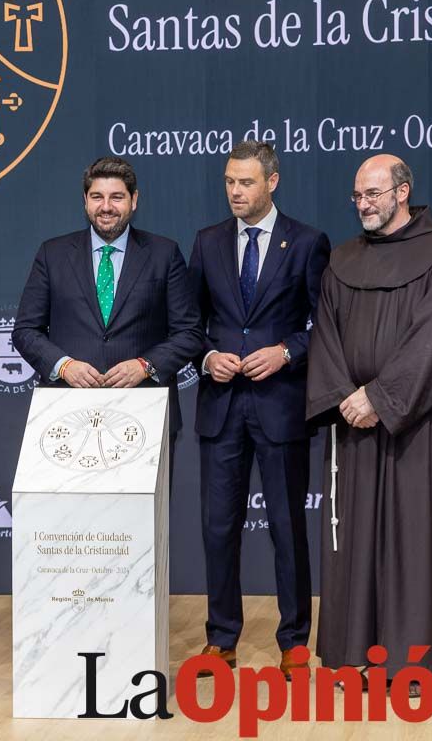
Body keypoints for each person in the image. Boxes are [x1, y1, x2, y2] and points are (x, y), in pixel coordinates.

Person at [306, 155, 432, 692]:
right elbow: (325, 337)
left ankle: (412, 664)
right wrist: (345, 397)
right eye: (357, 196)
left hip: (413, 425)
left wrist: (382, 397)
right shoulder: (342, 259)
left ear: (402, 192)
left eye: (374, 194)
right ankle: (354, 656)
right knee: (351, 543)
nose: (363, 204)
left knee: (413, 541)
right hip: (352, 425)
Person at [187, 141, 330, 679]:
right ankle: (221, 639)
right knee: (217, 527)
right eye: (229, 182)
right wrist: (207, 356)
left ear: (272, 182)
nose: (235, 192)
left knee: (288, 527)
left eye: (245, 183)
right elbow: (189, 323)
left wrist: (288, 351)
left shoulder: (309, 242)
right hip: (221, 406)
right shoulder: (207, 242)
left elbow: (325, 325)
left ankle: (294, 640)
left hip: (281, 404)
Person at [12, 156, 202, 456]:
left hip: (145, 412)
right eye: (97, 197)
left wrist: (145, 365)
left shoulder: (164, 254)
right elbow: (25, 330)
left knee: (143, 505)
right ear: (85, 201)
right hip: (67, 413)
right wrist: (65, 366)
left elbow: (189, 332)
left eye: (117, 197)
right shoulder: (53, 254)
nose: (106, 207)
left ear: (134, 200)